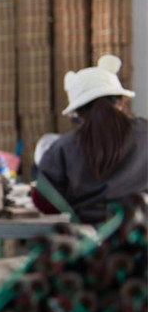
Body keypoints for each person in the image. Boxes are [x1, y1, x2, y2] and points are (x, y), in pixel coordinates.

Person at [33, 55, 147, 223]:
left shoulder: (64, 147)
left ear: (77, 112)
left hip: (92, 239)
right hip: (142, 233)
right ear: (121, 101)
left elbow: (44, 201)